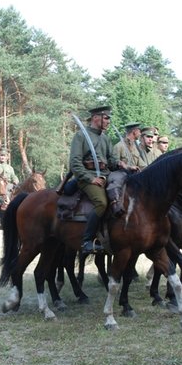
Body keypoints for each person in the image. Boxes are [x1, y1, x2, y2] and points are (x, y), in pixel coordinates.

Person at [70, 105, 126, 254]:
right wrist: (91, 178)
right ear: (96, 118)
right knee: (101, 203)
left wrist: (121, 164)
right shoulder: (81, 136)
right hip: (87, 179)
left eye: (109, 118)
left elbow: (112, 161)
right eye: (106, 118)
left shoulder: (105, 138)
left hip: (106, 176)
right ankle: (87, 241)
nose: (108, 121)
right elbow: (75, 164)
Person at [108, 122, 144, 217]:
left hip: (135, 175)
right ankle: (115, 204)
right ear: (134, 131)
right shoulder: (119, 146)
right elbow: (113, 163)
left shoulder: (136, 148)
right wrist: (126, 166)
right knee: (116, 182)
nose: (140, 133)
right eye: (139, 131)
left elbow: (142, 164)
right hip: (121, 173)